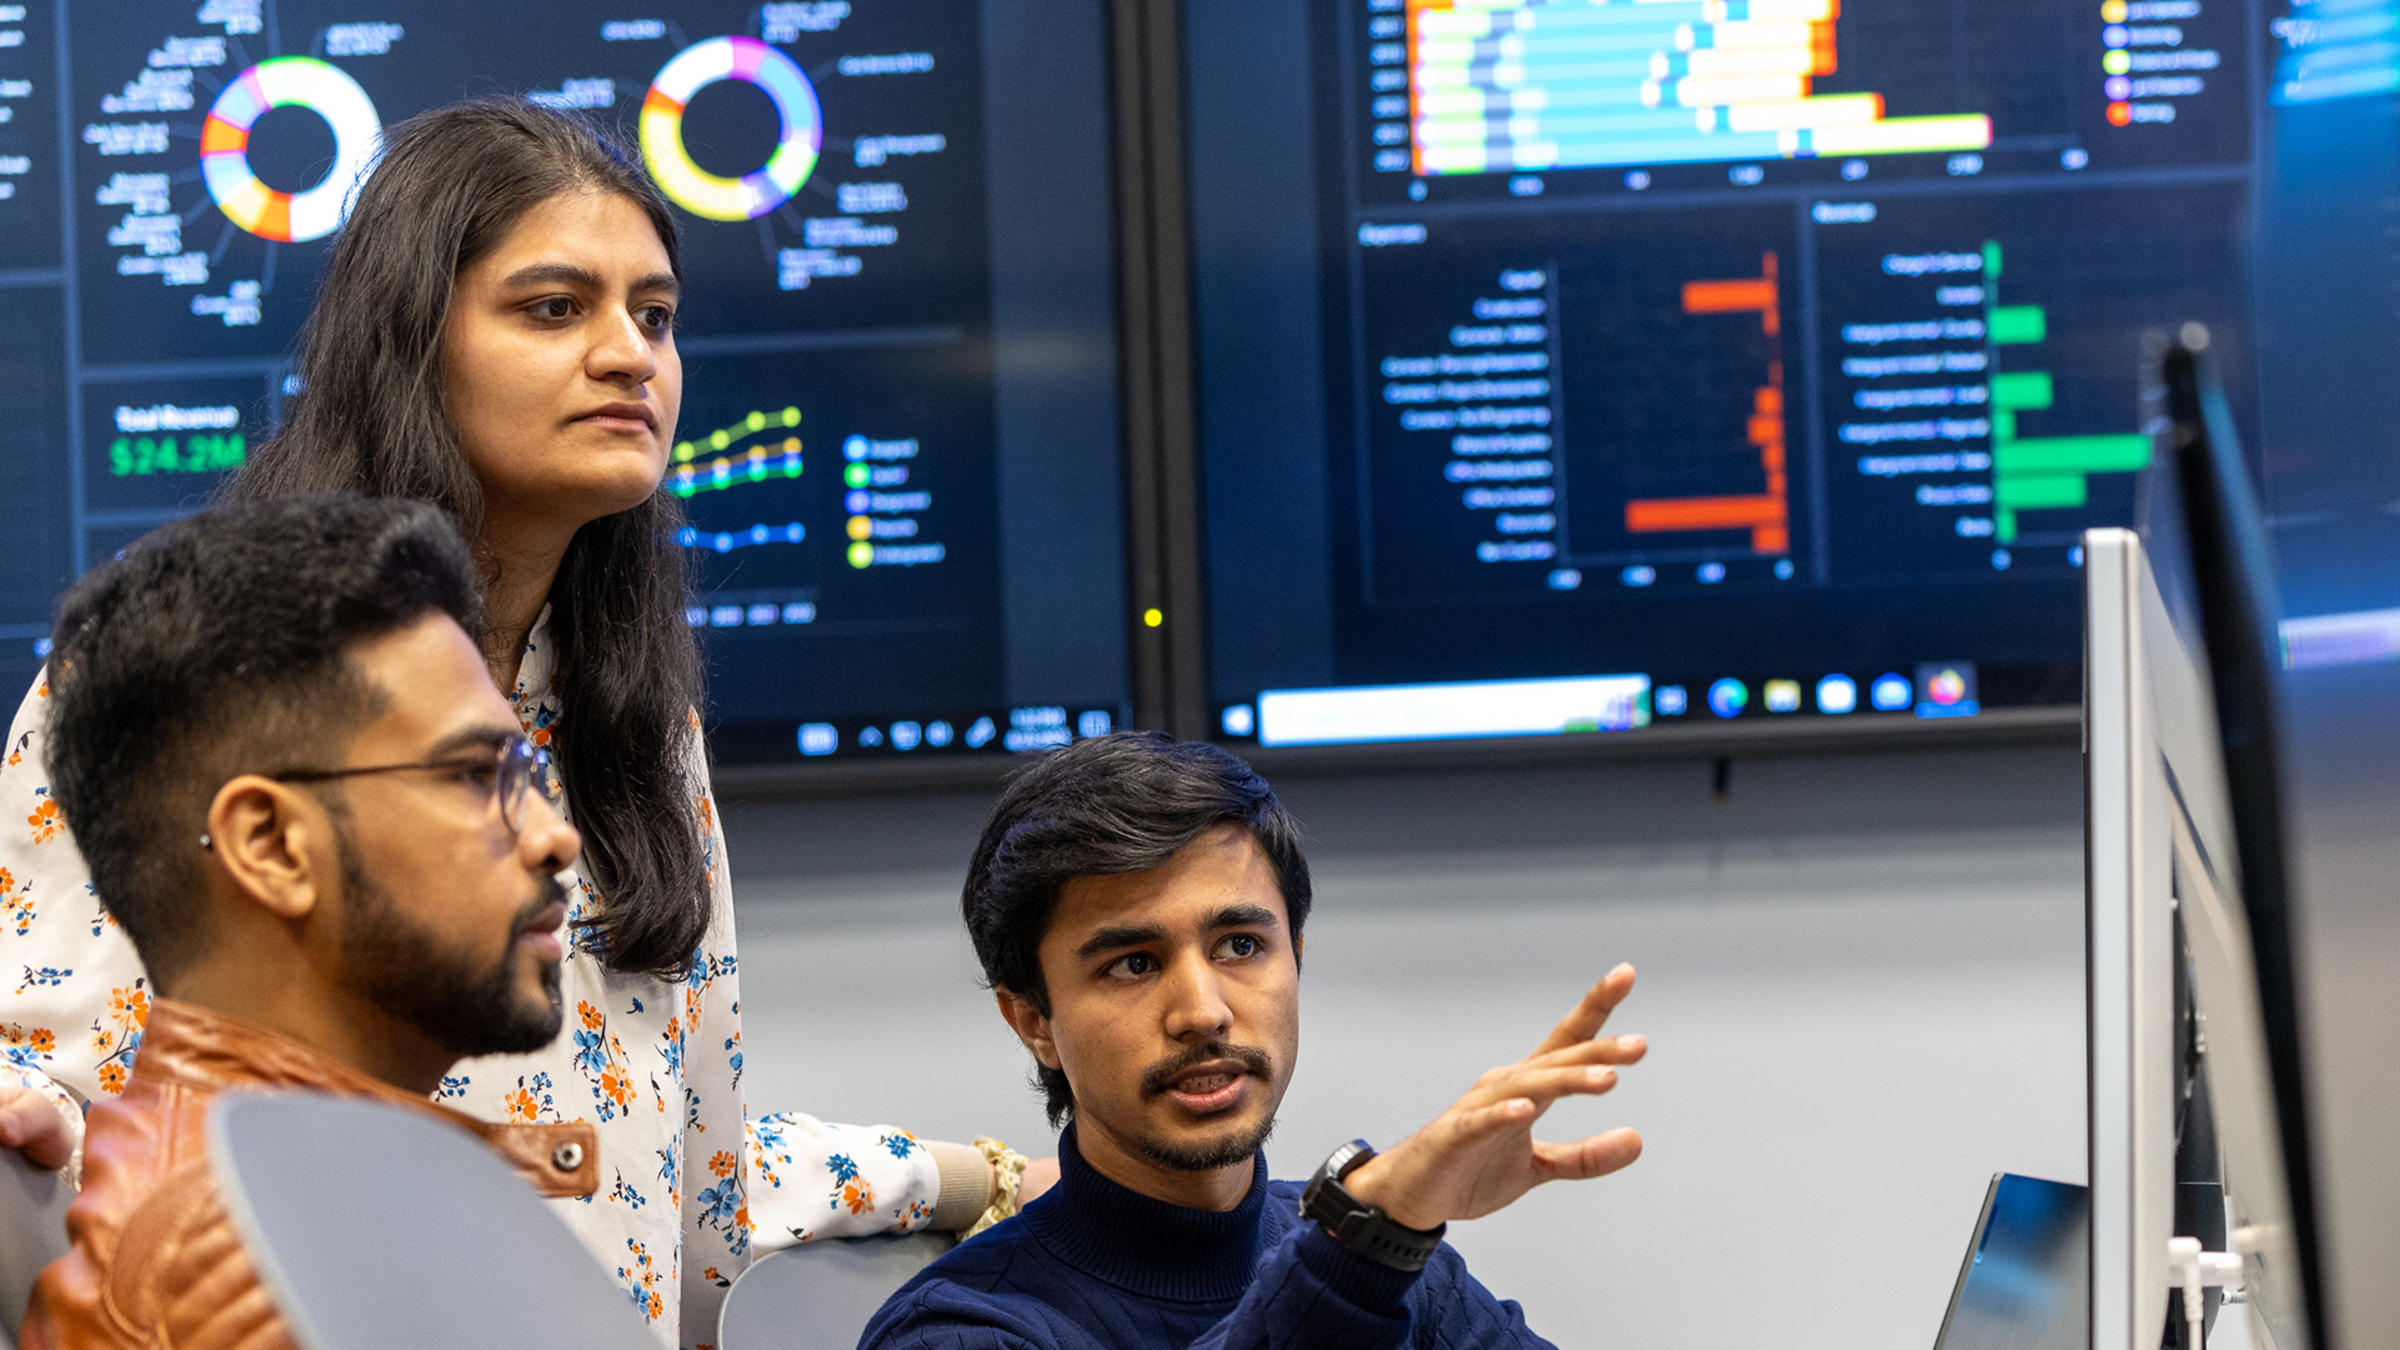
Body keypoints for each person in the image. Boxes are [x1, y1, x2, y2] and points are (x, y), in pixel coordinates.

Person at [0, 100, 1035, 1348]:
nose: (628, 356)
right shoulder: (181, 670)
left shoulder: (640, 726)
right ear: (408, 345)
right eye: (554, 309)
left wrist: (975, 1174)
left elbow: (696, 1200)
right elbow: (51, 1102)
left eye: (655, 316)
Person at [20, 496, 598, 1347]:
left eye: (526, 773)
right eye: (478, 777)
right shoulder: (240, 1279)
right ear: (272, 846)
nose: (555, 837)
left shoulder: (327, 1209)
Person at [862, 732, 1648, 1349]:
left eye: (1240, 945)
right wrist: (1362, 1247)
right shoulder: (958, 1331)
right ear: (1034, 1020)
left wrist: (1367, 1252)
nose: (1202, 1011)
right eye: (1133, 964)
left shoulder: (1400, 1277)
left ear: (1296, 958)